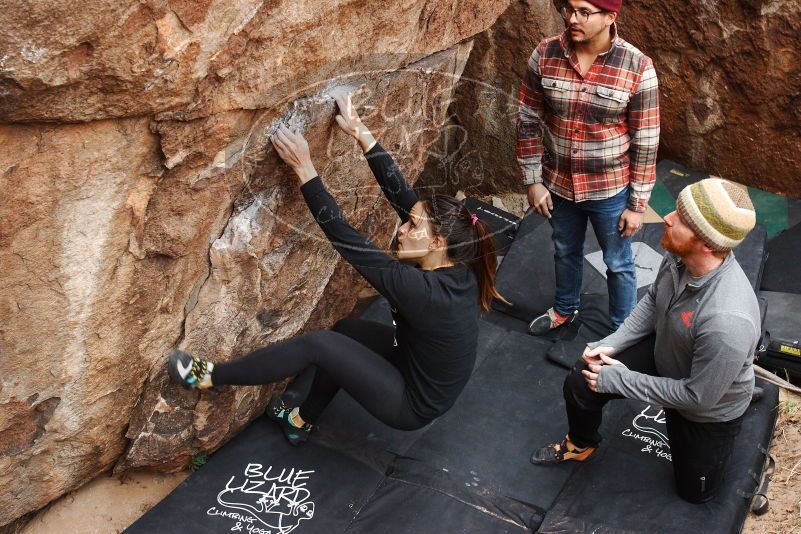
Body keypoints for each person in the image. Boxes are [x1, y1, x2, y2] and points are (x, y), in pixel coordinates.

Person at [167, 89, 503, 445]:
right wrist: (360, 130)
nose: (402, 228)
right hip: (410, 360)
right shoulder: (451, 258)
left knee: (320, 345)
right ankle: (301, 421)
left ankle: (210, 376)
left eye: (412, 226)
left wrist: (304, 169)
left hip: (412, 403)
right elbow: (400, 191)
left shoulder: (423, 290)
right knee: (345, 331)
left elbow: (345, 237)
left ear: (436, 244)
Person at [530, 178, 760, 504]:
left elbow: (697, 398)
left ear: (707, 244)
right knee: (584, 376)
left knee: (695, 494)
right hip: (668, 352)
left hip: (704, 408)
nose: (667, 217)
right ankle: (580, 444)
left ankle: (737, 385)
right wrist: (614, 341)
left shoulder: (727, 322)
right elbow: (653, 300)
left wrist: (623, 381)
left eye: (682, 218)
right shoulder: (679, 257)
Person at [517, 0, 660, 335]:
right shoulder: (545, 53)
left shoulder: (638, 66)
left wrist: (637, 206)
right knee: (565, 250)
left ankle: (621, 333)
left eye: (583, 12)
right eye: (568, 8)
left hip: (610, 188)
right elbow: (527, 120)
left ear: (610, 17)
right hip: (559, 183)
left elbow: (647, 141)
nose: (571, 18)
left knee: (619, 263)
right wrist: (533, 180)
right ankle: (565, 310)